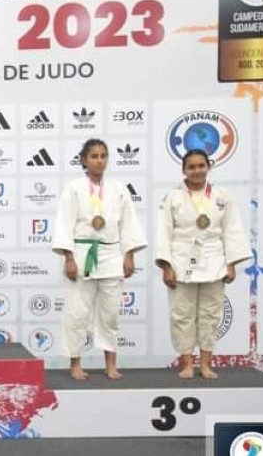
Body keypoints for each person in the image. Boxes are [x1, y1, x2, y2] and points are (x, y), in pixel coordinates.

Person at [53, 138, 146, 380]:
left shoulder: (118, 189)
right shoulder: (73, 188)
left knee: (111, 314)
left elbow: (129, 225)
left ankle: (111, 364)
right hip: (83, 253)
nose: (99, 160)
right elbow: (65, 224)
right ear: (84, 160)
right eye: (94, 156)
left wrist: (130, 255)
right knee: (77, 313)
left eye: (103, 155)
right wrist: (68, 258)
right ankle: (75, 364)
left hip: (112, 254)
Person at [155, 149, 250, 379]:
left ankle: (206, 364)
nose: (197, 171)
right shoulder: (173, 197)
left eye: (201, 166)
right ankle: (187, 363)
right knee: (182, 313)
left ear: (208, 167)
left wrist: (231, 263)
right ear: (184, 170)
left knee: (210, 313)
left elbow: (232, 229)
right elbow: (164, 233)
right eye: (192, 167)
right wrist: (166, 265)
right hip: (181, 260)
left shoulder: (221, 196)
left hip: (214, 259)